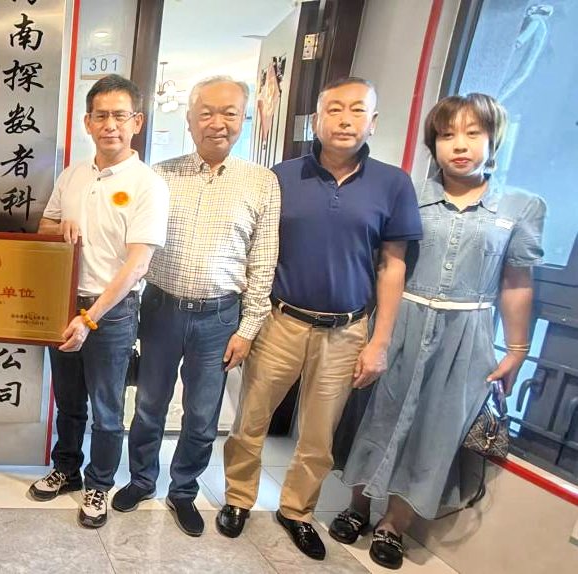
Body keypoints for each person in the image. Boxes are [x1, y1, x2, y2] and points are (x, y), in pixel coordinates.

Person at [332, 93, 544, 570]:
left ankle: (394, 524)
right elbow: (387, 263)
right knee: (377, 415)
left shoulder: (521, 206)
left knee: (436, 430)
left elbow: (516, 281)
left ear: (493, 140)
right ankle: (357, 506)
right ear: (434, 144)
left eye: (473, 133)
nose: (459, 145)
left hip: (466, 333)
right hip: (402, 320)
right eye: (447, 135)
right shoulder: (408, 193)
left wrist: (516, 350)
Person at [219, 77, 422, 560]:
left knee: (318, 433)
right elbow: (257, 250)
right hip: (281, 320)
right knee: (251, 418)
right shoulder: (280, 177)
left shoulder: (393, 184)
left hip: (347, 329)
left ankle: (297, 510)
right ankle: (238, 498)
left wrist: (379, 341)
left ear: (373, 121)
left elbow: (393, 266)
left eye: (357, 110)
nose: (345, 120)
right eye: (334, 109)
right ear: (316, 119)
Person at [113, 75, 280, 537]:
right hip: (161, 309)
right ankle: (142, 480)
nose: (217, 123)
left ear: (244, 120)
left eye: (229, 113)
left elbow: (264, 260)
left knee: (203, 416)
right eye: (206, 113)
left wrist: (248, 328)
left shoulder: (262, 183)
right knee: (149, 405)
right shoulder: (159, 176)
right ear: (189, 120)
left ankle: (183, 489)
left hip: (220, 317)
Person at [28, 74, 169, 529]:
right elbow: (44, 229)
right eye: (101, 116)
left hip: (111, 314)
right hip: (63, 305)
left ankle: (99, 484)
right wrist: (60, 228)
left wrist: (90, 317)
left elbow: (137, 264)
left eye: (120, 116)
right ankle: (66, 468)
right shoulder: (73, 175)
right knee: (68, 401)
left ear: (137, 122)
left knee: (107, 411)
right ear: (87, 123)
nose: (110, 125)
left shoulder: (148, 185)